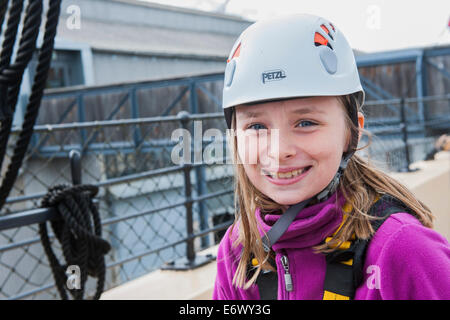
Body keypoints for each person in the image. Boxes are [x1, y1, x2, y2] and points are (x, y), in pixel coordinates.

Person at [212, 13, 450, 300]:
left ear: (352, 132)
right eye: (257, 127)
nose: (278, 150)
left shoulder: (402, 250)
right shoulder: (238, 250)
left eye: (306, 123)